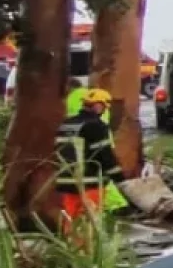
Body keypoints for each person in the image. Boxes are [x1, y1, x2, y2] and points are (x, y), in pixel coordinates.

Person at [53, 88, 125, 237]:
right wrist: (119, 178)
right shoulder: (96, 126)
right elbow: (104, 155)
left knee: (70, 218)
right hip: (89, 183)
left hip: (66, 181)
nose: (104, 111)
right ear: (98, 106)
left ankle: (70, 248)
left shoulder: (66, 124)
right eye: (104, 107)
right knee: (89, 220)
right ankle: (86, 253)